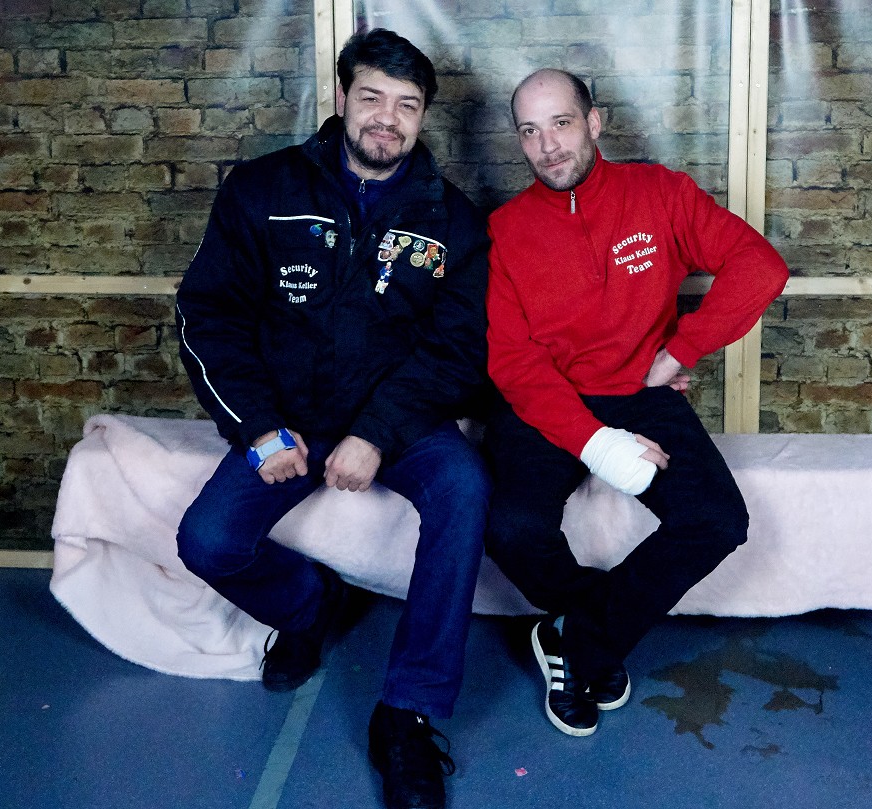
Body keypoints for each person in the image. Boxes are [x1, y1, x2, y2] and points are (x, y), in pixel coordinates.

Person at [175, 29, 490, 809]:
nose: (388, 118)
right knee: (207, 540)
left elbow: (457, 352)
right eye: (373, 96)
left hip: (398, 421)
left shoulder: (452, 220)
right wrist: (259, 426)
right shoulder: (262, 189)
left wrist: (375, 433)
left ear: (423, 117)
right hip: (288, 416)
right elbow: (208, 316)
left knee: (464, 486)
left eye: (407, 105)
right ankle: (313, 606)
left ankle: (408, 713)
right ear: (342, 96)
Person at [483, 68, 789, 737]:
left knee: (716, 519)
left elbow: (760, 266)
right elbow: (513, 361)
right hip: (546, 401)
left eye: (561, 123)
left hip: (641, 390)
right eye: (530, 131)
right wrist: (596, 442)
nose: (548, 146)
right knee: (510, 527)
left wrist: (681, 350)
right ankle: (593, 624)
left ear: (594, 123)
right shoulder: (505, 230)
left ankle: (579, 640)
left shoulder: (659, 193)